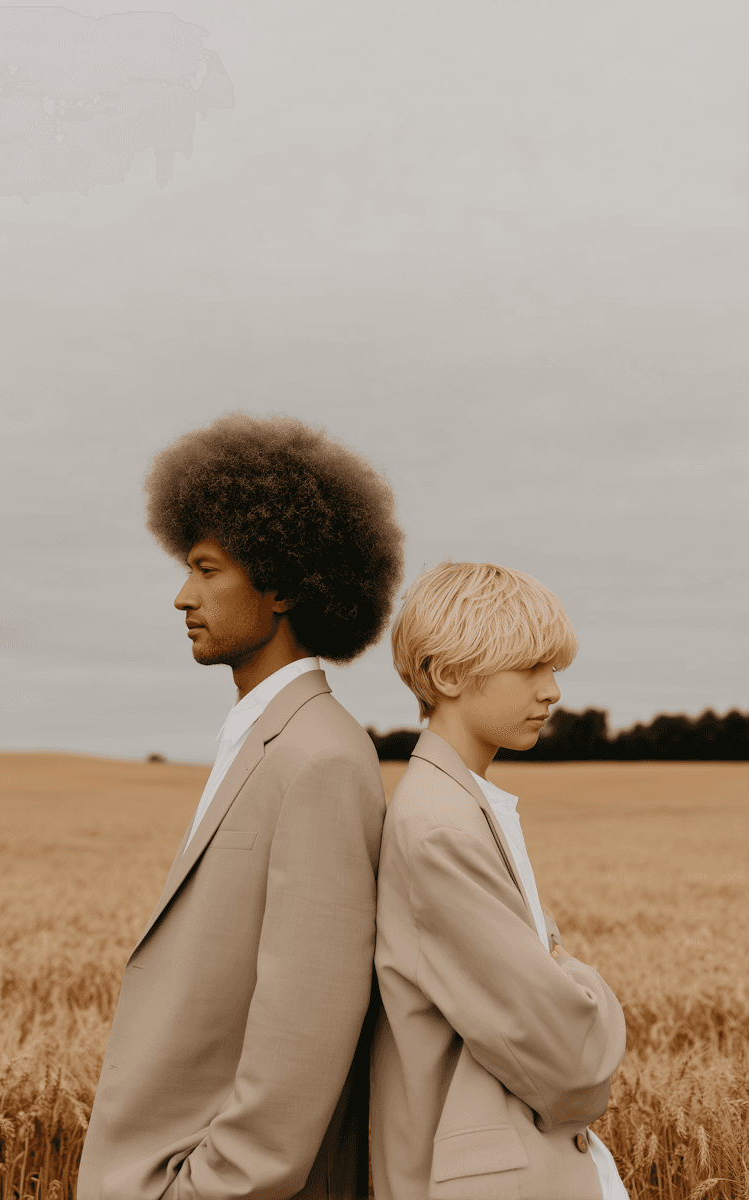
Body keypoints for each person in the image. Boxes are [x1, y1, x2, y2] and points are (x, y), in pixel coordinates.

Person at [77, 412, 406, 1200]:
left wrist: (201, 1190)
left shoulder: (320, 758)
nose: (182, 596)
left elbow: (306, 1026)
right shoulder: (268, 739)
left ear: (284, 584)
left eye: (207, 570)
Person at [370, 561, 629, 1200]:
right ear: (448, 675)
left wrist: (556, 973)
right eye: (531, 668)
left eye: (554, 669)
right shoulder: (439, 825)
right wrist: (582, 981)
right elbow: (573, 1058)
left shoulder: (461, 804)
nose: (553, 691)